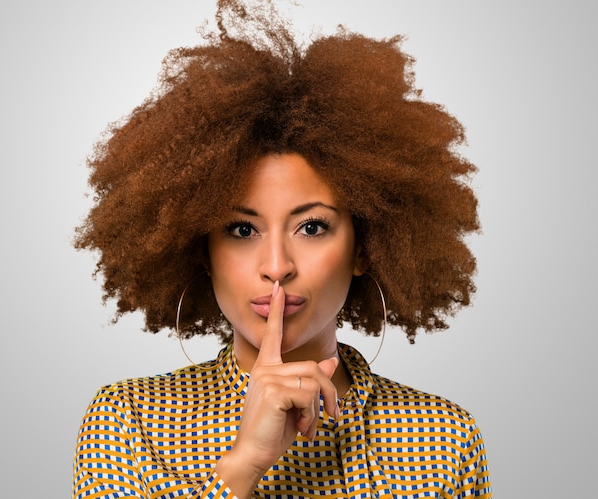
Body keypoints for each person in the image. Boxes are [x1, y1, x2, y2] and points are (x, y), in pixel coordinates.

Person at [71, 1, 491, 497]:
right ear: (201, 250)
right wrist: (243, 465)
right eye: (241, 230)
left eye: (312, 227)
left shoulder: (445, 439)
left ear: (364, 247)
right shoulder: (130, 420)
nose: (276, 267)